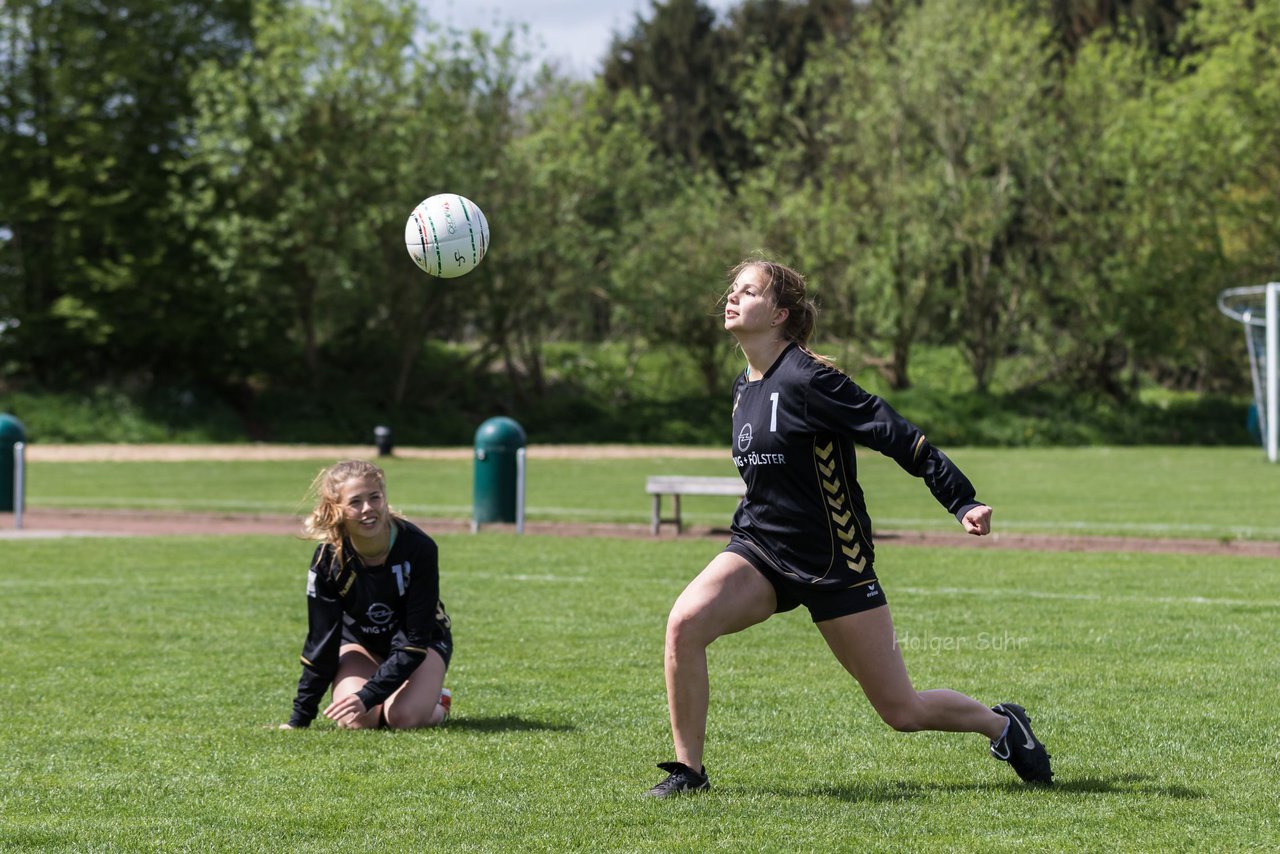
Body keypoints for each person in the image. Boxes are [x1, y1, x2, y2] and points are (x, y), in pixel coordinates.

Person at [645, 258, 1053, 796]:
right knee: (684, 625)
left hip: (835, 562)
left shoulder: (812, 380)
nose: (734, 297)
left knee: (902, 711)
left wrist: (961, 499)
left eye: (749, 291)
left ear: (779, 314)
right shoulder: (744, 387)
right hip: (761, 550)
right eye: (733, 289)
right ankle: (689, 773)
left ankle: (1001, 724)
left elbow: (895, 433)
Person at [281, 459, 453, 730]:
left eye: (375, 497)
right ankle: (393, 696)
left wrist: (369, 694)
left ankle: (439, 704)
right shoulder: (328, 560)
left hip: (422, 645)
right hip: (362, 646)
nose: (368, 509)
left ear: (385, 498)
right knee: (356, 720)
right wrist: (299, 719)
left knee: (403, 718)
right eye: (355, 502)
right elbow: (322, 641)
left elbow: (414, 637)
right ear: (335, 509)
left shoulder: (419, 548)